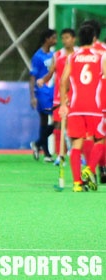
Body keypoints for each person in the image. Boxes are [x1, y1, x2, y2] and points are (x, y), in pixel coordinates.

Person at [59, 24, 106, 192]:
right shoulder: (101, 56)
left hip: (76, 106)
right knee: (100, 140)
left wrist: (63, 104)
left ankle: (77, 183)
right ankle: (90, 169)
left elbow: (63, 80)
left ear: (78, 38)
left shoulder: (72, 56)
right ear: (94, 38)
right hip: (95, 106)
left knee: (76, 144)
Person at [37, 28, 77, 165]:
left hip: (75, 94)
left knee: (73, 125)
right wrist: (43, 80)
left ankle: (76, 154)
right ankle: (61, 154)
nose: (65, 40)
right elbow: (52, 71)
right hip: (59, 95)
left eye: (68, 37)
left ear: (74, 39)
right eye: (63, 38)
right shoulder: (58, 54)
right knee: (59, 125)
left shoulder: (78, 55)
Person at [82, 19, 106, 183]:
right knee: (102, 136)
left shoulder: (77, 53)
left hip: (82, 101)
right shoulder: (103, 51)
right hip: (101, 98)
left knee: (88, 137)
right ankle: (101, 168)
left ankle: (93, 173)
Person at [29, 29, 57, 162]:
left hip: (52, 90)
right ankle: (46, 153)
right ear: (47, 39)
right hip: (42, 92)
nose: (55, 40)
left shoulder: (53, 55)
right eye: (53, 38)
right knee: (45, 120)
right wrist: (32, 96)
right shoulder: (38, 56)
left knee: (56, 121)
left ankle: (38, 144)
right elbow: (33, 77)